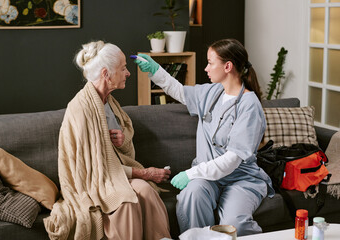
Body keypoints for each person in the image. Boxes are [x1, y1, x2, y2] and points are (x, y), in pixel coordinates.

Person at [134, 38, 275, 236]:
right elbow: (179, 91)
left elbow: (232, 160)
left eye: (210, 63)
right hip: (207, 178)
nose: (206, 68)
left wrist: (190, 174)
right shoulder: (212, 92)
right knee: (193, 194)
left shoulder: (249, 105)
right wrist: (155, 70)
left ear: (227, 66)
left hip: (240, 179)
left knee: (236, 225)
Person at [44, 40, 171, 240]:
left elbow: (119, 151)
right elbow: (94, 170)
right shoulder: (81, 109)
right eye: (123, 68)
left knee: (146, 192)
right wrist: (146, 172)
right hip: (94, 181)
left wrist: (122, 140)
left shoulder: (109, 102)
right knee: (126, 202)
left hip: (114, 176)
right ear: (106, 74)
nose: (128, 73)